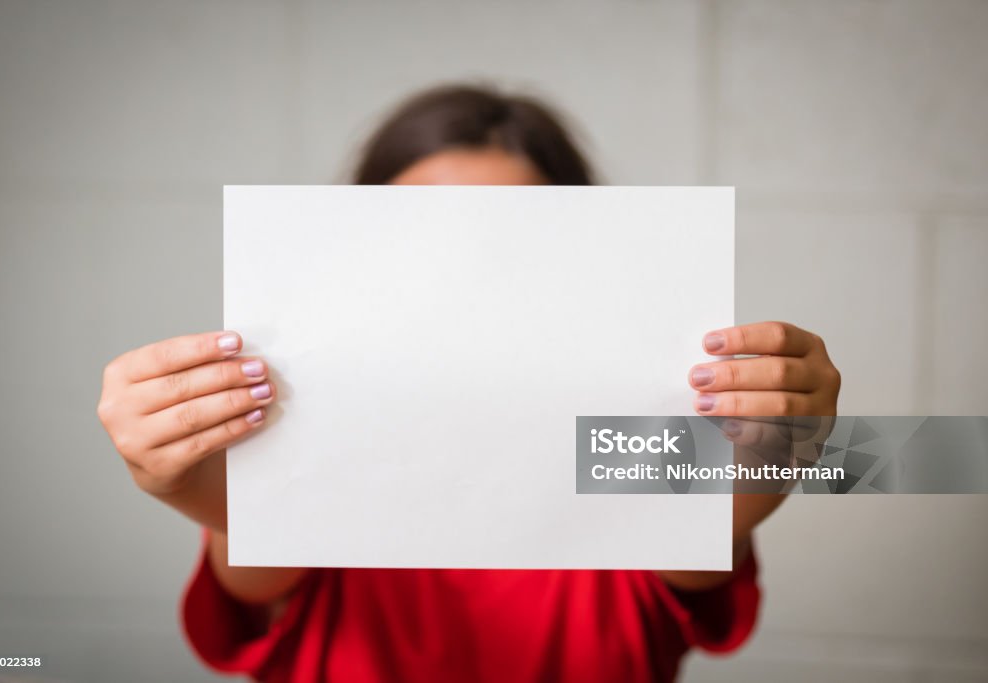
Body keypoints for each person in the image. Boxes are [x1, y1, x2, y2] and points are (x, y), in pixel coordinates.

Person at [97, 85, 841, 682]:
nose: (463, 288)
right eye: (420, 247)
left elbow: (702, 524)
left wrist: (767, 449)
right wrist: (196, 489)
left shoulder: (616, 465)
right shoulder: (315, 461)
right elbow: (260, 560)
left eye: (513, 251)